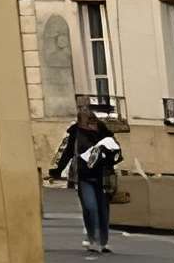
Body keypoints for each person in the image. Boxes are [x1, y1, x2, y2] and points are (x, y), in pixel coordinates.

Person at [50, 98, 125, 254]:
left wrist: (107, 155)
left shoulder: (103, 131)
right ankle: (94, 239)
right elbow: (67, 151)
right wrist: (57, 170)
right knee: (90, 207)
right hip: (84, 175)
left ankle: (102, 242)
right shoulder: (75, 132)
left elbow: (115, 152)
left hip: (102, 175)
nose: (88, 122)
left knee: (102, 209)